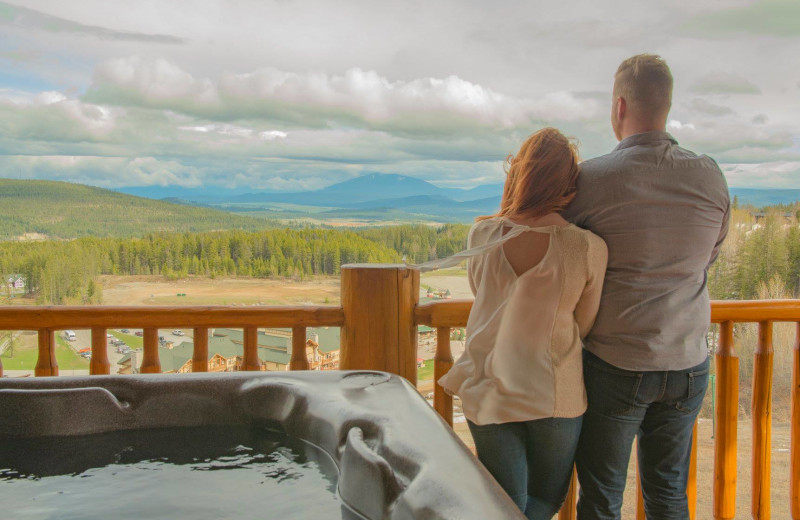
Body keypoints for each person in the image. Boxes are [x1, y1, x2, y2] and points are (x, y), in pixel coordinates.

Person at [562, 54, 730, 520]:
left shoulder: (589, 180)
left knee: (601, 499)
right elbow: (709, 256)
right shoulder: (710, 176)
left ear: (619, 107)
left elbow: (561, 258)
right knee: (669, 495)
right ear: (668, 105)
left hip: (615, 363)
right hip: (689, 365)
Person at [429, 127, 608, 519]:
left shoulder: (484, 235)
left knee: (503, 504)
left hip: (489, 386)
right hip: (554, 393)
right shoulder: (586, 247)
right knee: (545, 499)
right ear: (568, 183)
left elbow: (483, 295)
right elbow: (586, 322)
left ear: (517, 176)